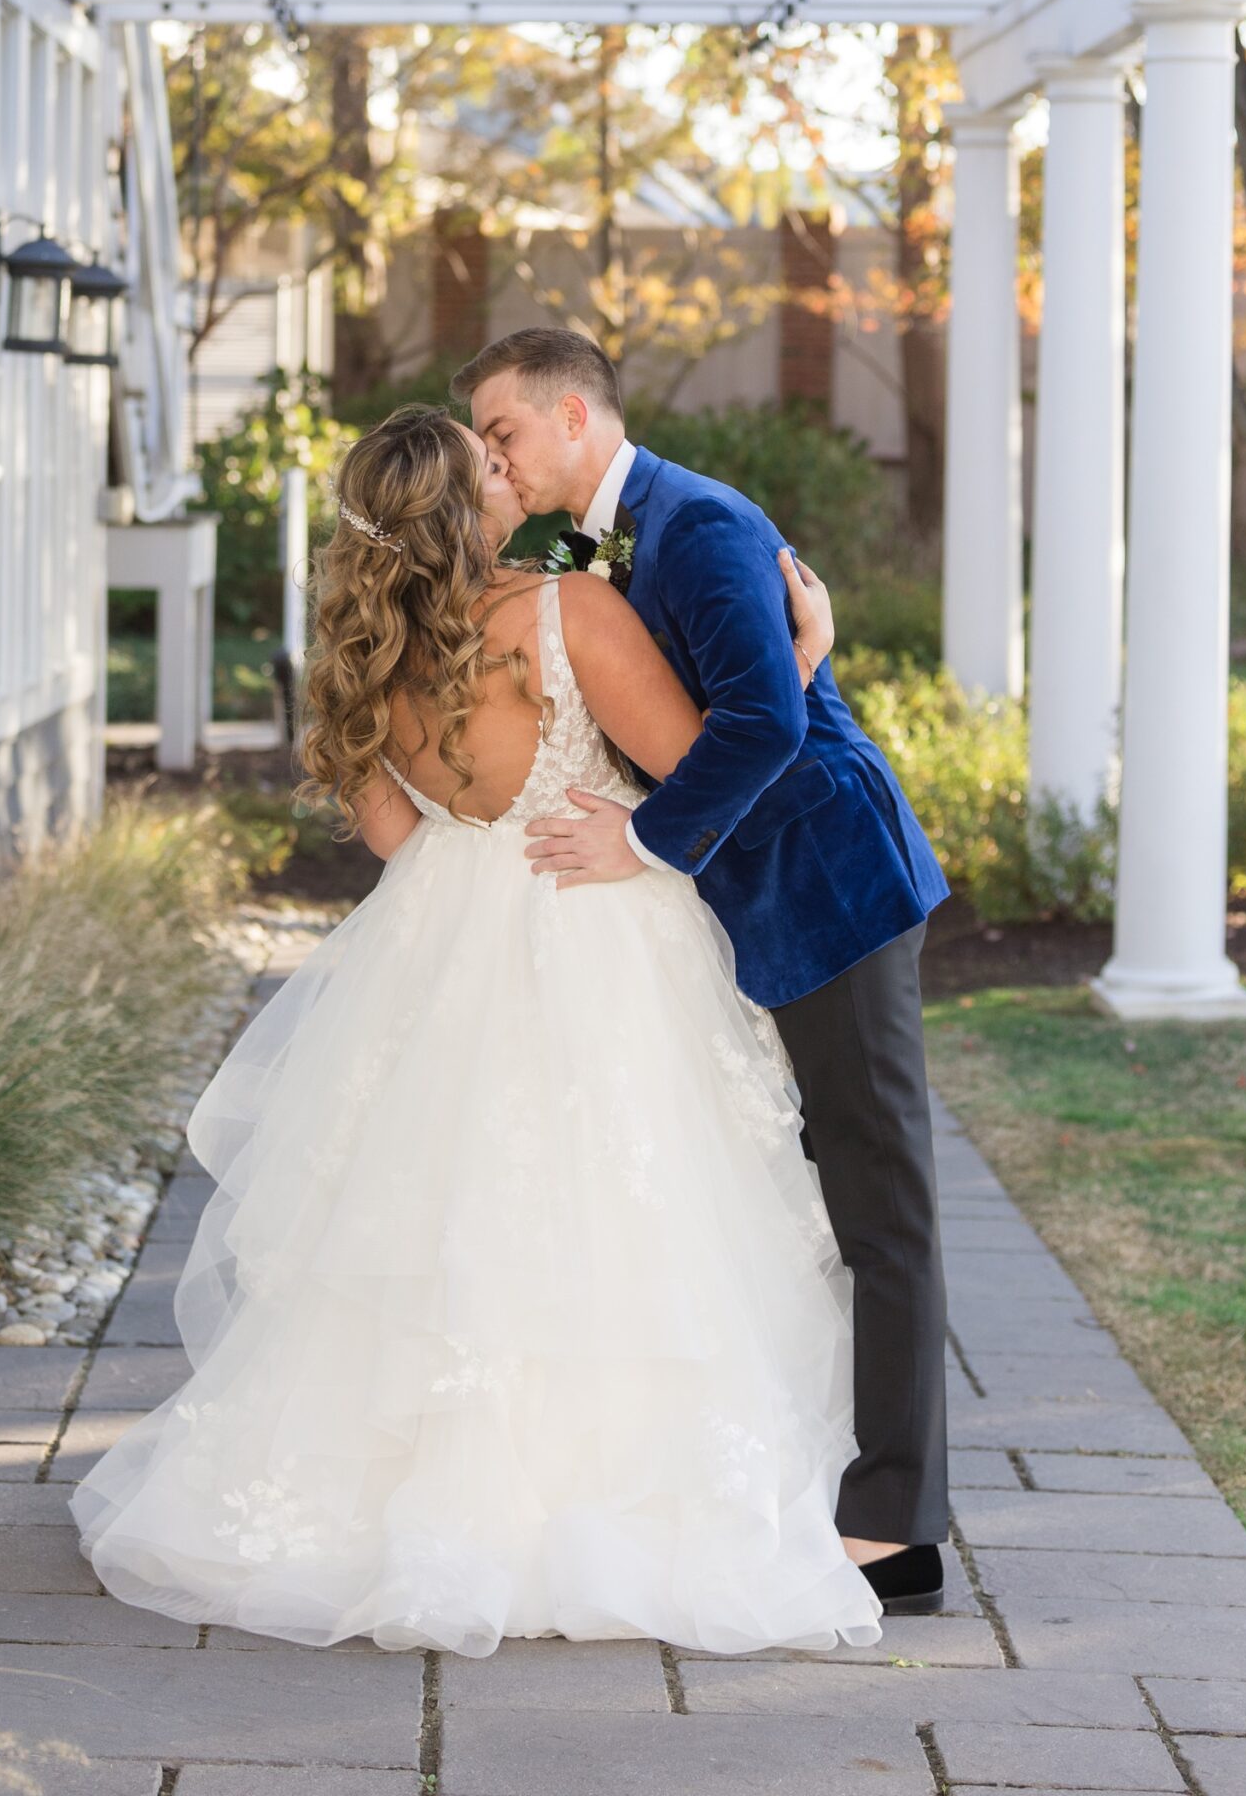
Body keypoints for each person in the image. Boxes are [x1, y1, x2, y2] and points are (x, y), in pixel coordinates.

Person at [71, 403, 885, 1658]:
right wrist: (808, 654)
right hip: (590, 915)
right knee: (621, 1212)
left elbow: (400, 839)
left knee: (432, 1214)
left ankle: (401, 1503)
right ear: (473, 503)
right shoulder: (571, 617)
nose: (510, 472)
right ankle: (591, 1509)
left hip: (439, 932)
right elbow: (698, 767)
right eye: (489, 464)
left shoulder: (361, 652)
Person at [456, 328, 952, 1616]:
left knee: (877, 1191)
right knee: (779, 1187)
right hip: (744, 890)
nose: (495, 460)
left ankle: (898, 1529)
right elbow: (500, 598)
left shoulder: (700, 519)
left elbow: (769, 722)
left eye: (504, 434)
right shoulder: (586, 532)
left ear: (574, 416)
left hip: (831, 880)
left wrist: (640, 838)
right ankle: (801, 1463)